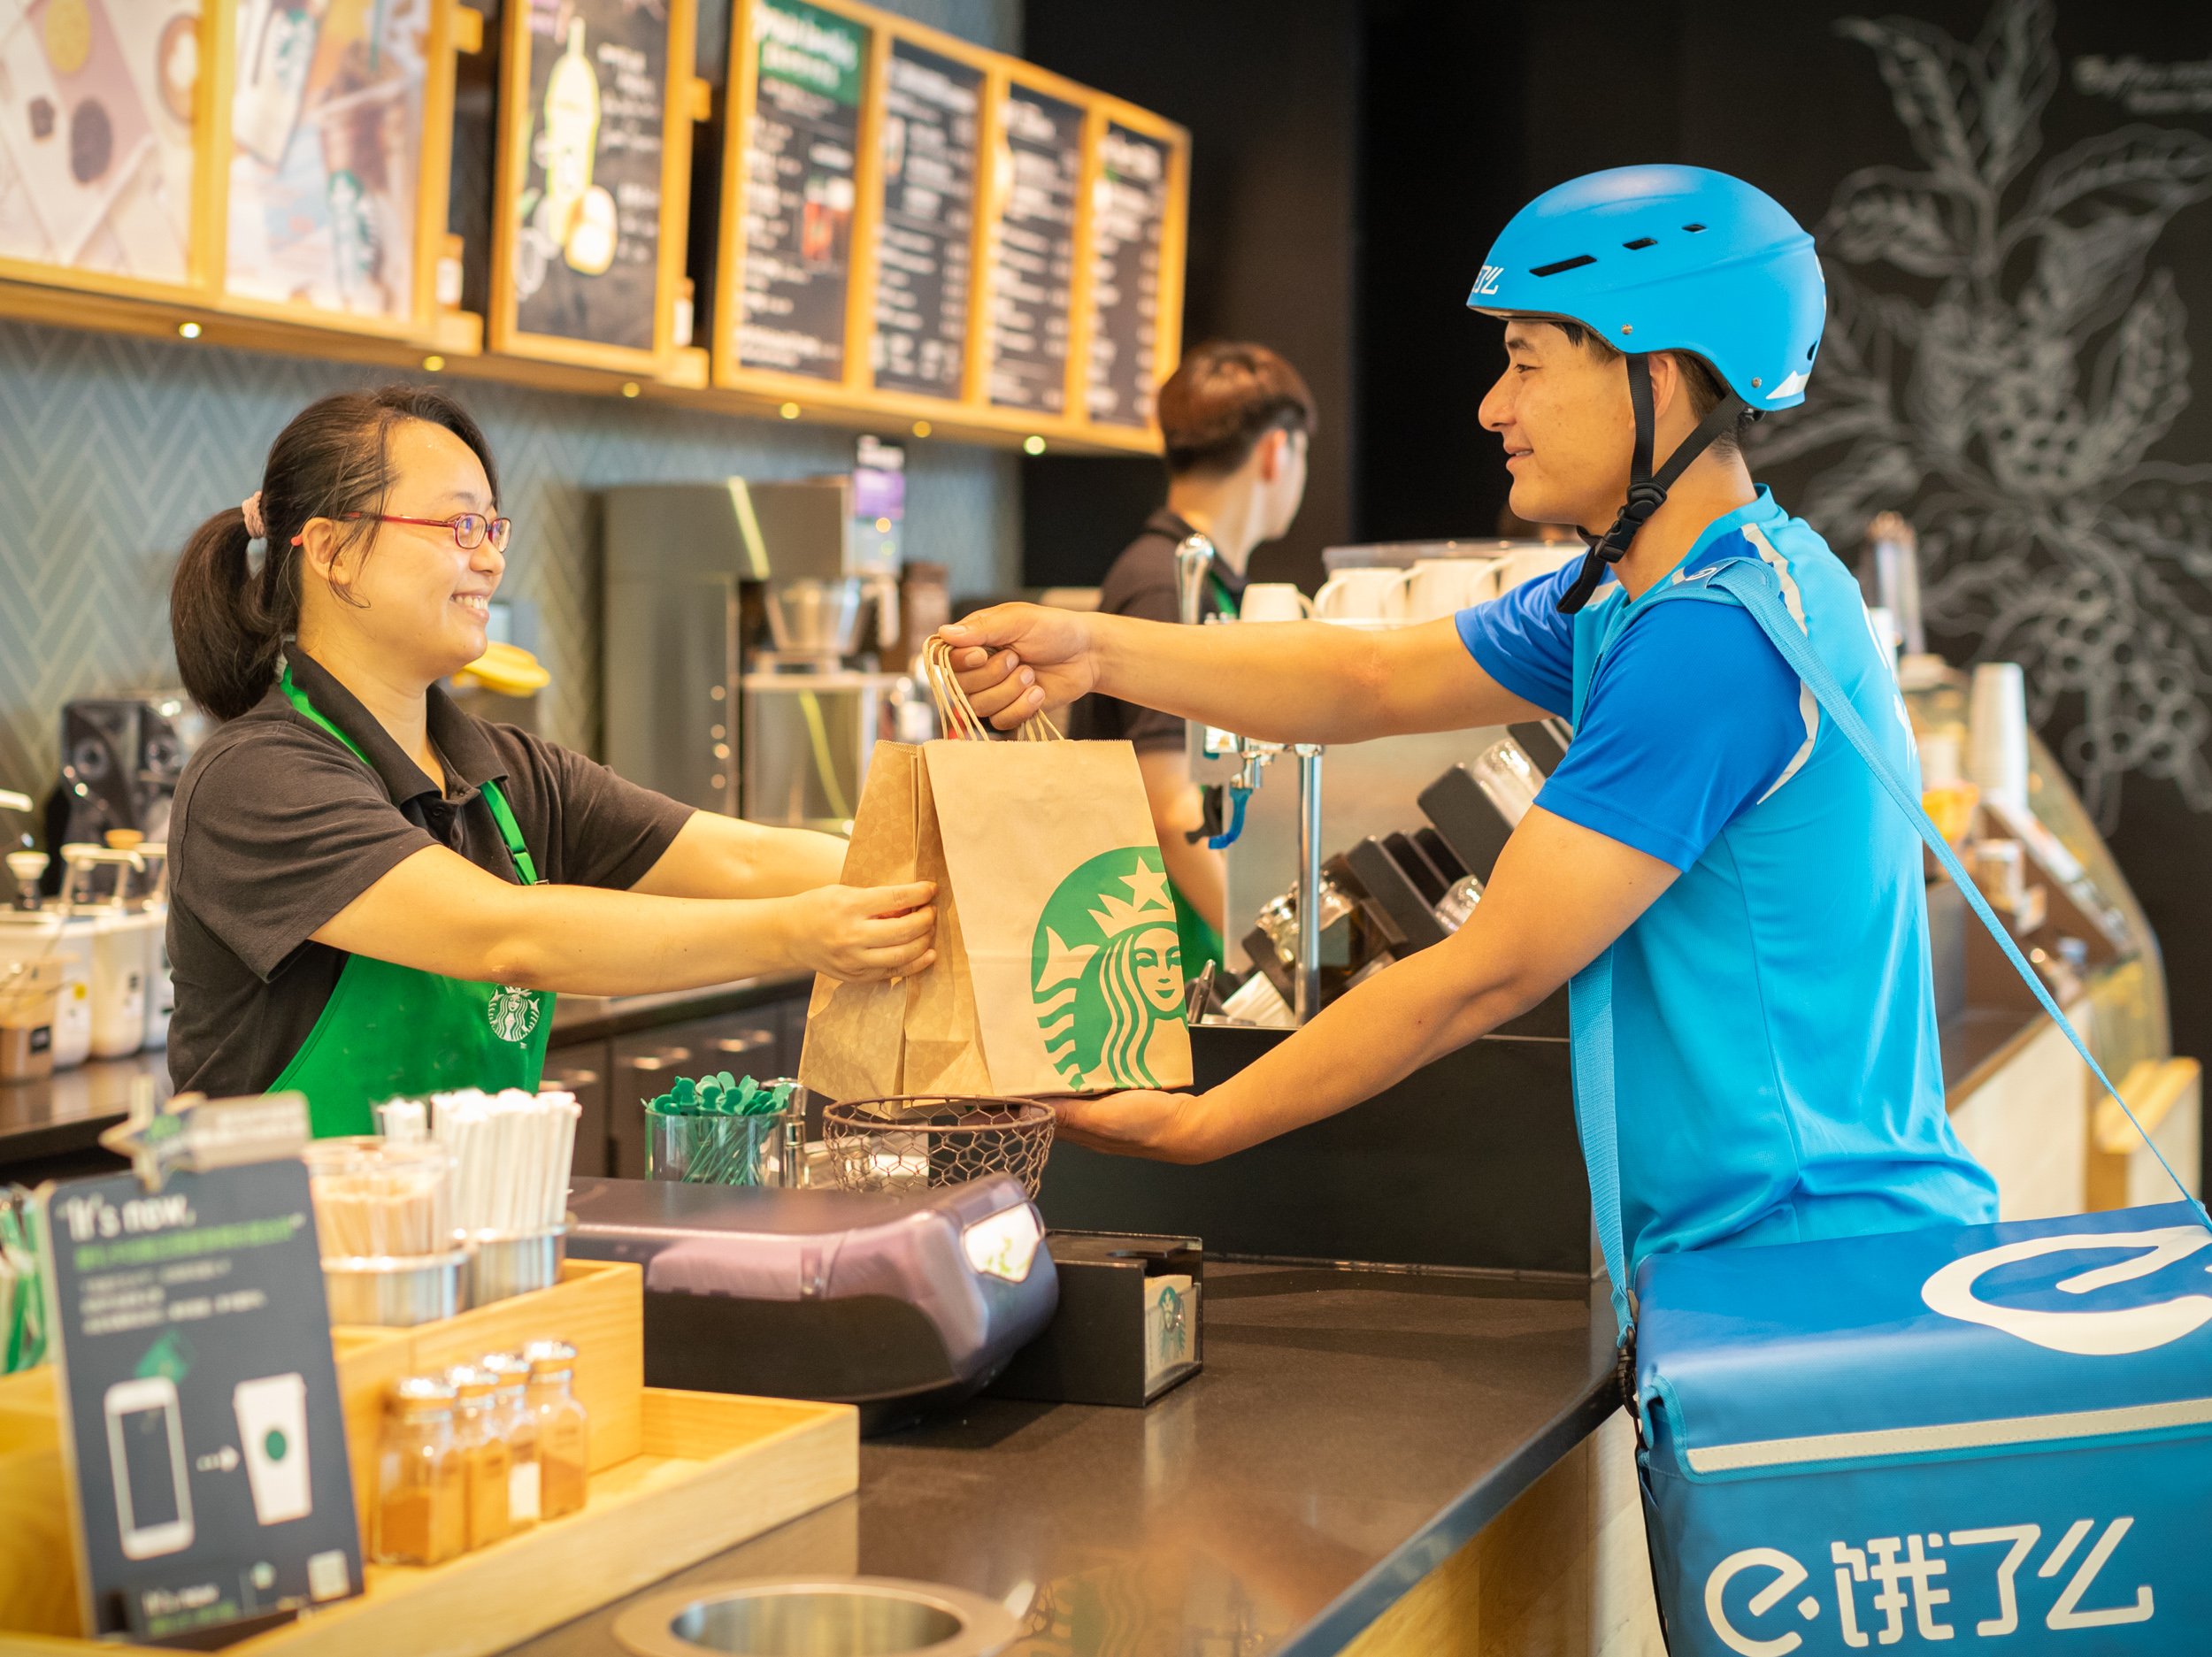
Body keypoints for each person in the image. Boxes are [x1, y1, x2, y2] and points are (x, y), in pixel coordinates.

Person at [944, 166, 1997, 1312]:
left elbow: (1486, 970)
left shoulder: (1712, 641)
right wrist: (1097, 652)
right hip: (1772, 1260)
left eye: (1526, 362)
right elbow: (1371, 673)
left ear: (1653, 374)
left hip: (1806, 1277)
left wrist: (1199, 1120)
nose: (1493, 407)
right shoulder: (1659, 591)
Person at [166, 386, 935, 1135]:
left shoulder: (509, 774)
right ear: (333, 550)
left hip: (477, 1237)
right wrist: (797, 933)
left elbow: (742, 857)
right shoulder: (256, 778)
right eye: (461, 526)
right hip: (286, 1248)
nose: (492, 562)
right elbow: (506, 936)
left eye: (494, 529)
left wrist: (931, 873)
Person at [1067, 341, 1315, 974]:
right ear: (1276, 450)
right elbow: (1171, 807)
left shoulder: (1205, 579)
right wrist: (1283, 960)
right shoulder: (1167, 581)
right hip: (1155, 962)